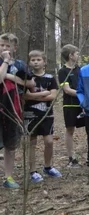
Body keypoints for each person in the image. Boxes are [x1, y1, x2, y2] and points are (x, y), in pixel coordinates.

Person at [23, 50, 61, 183]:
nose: (35, 62)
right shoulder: (27, 78)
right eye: (33, 60)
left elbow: (53, 96)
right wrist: (42, 94)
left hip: (47, 114)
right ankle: (32, 171)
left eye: (38, 59)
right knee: (31, 142)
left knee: (49, 141)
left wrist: (35, 97)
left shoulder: (50, 78)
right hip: (30, 114)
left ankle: (48, 166)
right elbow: (25, 96)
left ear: (44, 62)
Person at [1, 33, 30, 189]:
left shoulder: (20, 64)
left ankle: (8, 177)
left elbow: (28, 82)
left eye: (8, 45)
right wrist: (5, 61)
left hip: (13, 108)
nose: (5, 48)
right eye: (2, 45)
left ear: (14, 47)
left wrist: (10, 77)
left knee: (10, 145)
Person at [58, 44, 84, 168]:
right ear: (70, 55)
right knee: (70, 130)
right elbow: (67, 90)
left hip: (83, 105)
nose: (78, 55)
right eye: (77, 53)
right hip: (70, 105)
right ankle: (71, 158)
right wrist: (83, 94)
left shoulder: (80, 69)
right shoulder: (62, 71)